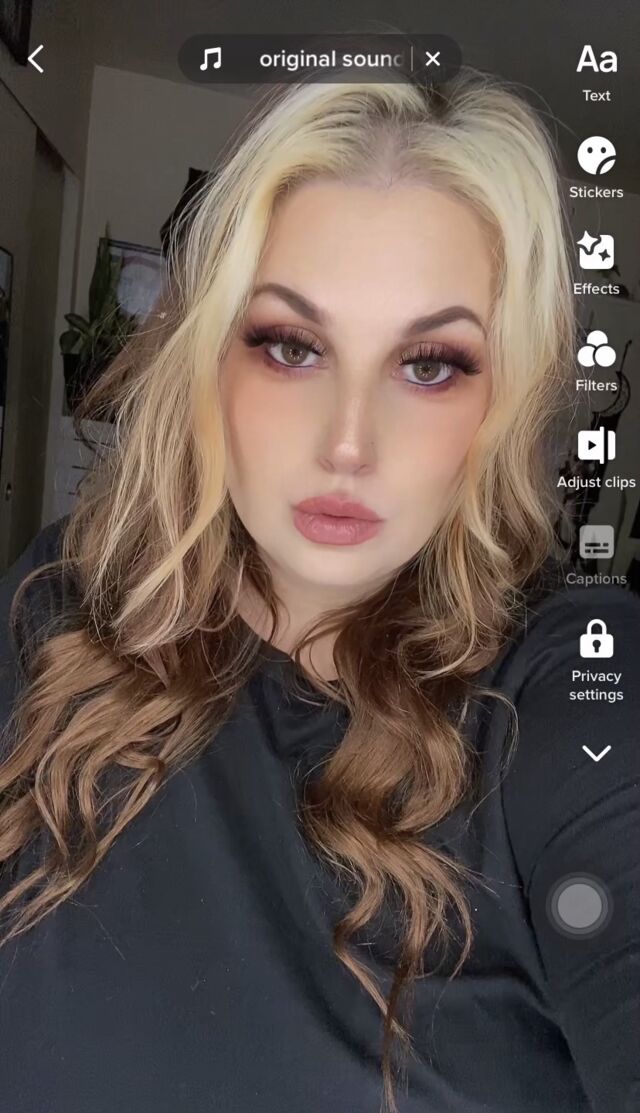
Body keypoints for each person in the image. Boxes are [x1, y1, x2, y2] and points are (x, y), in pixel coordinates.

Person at [0, 67, 638, 1113]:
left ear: (503, 399)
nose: (348, 442)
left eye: (429, 365)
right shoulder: (65, 607)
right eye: (291, 347)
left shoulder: (569, 688)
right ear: (211, 357)